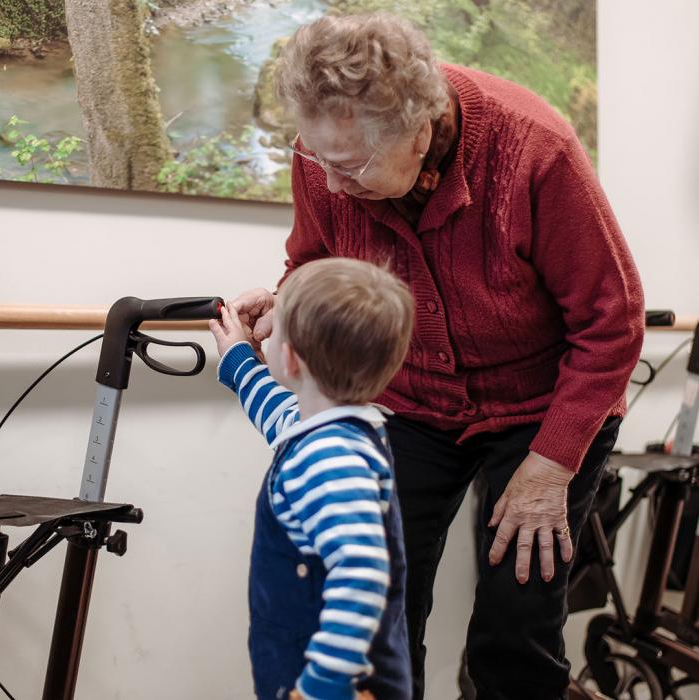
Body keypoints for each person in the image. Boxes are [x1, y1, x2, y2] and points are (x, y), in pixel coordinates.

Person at [232, 13, 645, 699]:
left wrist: (550, 468)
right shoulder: (330, 165)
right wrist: (287, 304)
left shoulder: (534, 147)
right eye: (317, 160)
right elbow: (314, 262)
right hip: (412, 403)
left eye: (352, 166)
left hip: (545, 411)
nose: (332, 187)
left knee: (516, 623)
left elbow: (613, 321)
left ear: (419, 130)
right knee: (376, 613)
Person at [209, 257, 415, 700]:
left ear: (289, 357)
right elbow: (279, 416)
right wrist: (239, 359)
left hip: (332, 685)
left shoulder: (330, 454)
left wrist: (323, 684)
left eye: (274, 325)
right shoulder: (332, 424)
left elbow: (361, 572)